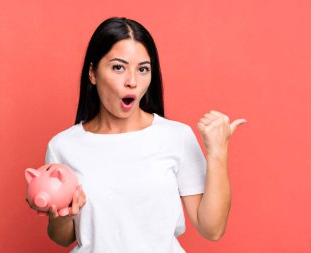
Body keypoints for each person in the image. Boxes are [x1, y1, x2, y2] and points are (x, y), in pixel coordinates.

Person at [28, 17, 247, 253]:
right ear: (93, 73)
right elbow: (62, 238)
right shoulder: (64, 146)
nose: (132, 81)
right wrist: (62, 216)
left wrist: (218, 152)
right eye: (118, 67)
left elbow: (212, 229)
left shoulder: (176, 137)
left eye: (143, 69)